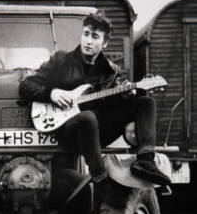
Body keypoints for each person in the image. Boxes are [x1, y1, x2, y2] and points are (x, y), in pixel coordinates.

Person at [19, 10, 171, 194]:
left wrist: (129, 94)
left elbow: (112, 107)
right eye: (86, 34)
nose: (88, 41)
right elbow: (26, 85)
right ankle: (101, 179)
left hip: (98, 131)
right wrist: (51, 93)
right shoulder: (61, 60)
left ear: (104, 43)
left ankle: (145, 161)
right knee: (87, 117)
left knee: (146, 103)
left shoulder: (111, 71)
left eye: (95, 37)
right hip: (68, 131)